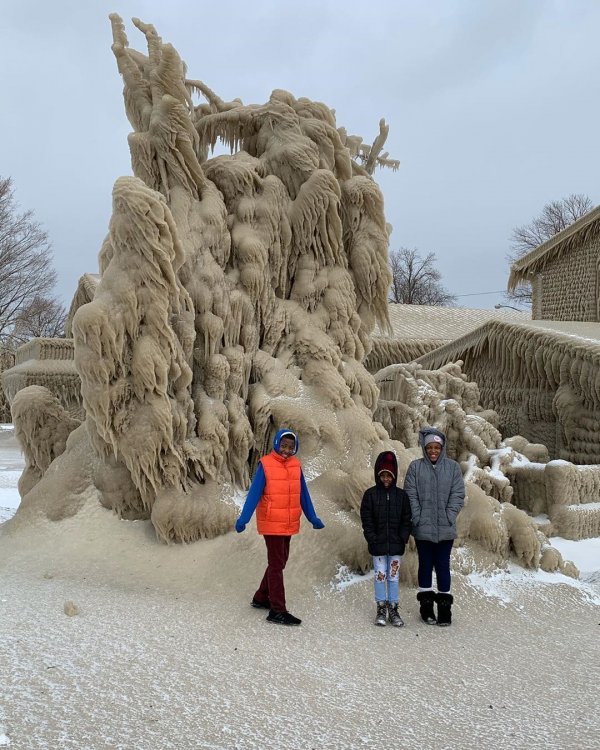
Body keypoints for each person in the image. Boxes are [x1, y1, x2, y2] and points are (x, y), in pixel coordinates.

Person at [235, 428, 324, 626]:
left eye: (291, 447)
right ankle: (277, 609)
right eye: (283, 446)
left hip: (288, 522)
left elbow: (304, 495)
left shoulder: (295, 465)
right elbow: (254, 494)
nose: (286, 450)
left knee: (280, 561)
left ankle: (260, 597)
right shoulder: (265, 465)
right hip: (272, 522)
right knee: (277, 564)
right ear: (276, 444)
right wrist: (244, 518)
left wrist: (312, 517)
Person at [404, 427, 465, 627]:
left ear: (442, 448)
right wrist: (418, 517)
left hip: (445, 528)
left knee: (443, 566)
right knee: (425, 565)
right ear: (424, 448)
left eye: (436, 447)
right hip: (423, 528)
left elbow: (458, 494)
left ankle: (445, 609)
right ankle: (426, 607)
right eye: (429, 447)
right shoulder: (415, 467)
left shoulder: (453, 468)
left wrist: (449, 515)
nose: (433, 451)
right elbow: (410, 494)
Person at [360, 451, 412, 627]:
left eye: (389, 475)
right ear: (377, 475)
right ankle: (381, 608)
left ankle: (394, 609)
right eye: (382, 475)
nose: (386, 479)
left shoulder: (401, 496)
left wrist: (403, 537)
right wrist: (372, 538)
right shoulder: (370, 495)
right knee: (380, 576)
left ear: (394, 475)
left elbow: (407, 519)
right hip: (378, 546)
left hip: (396, 546)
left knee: (393, 577)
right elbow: (366, 520)